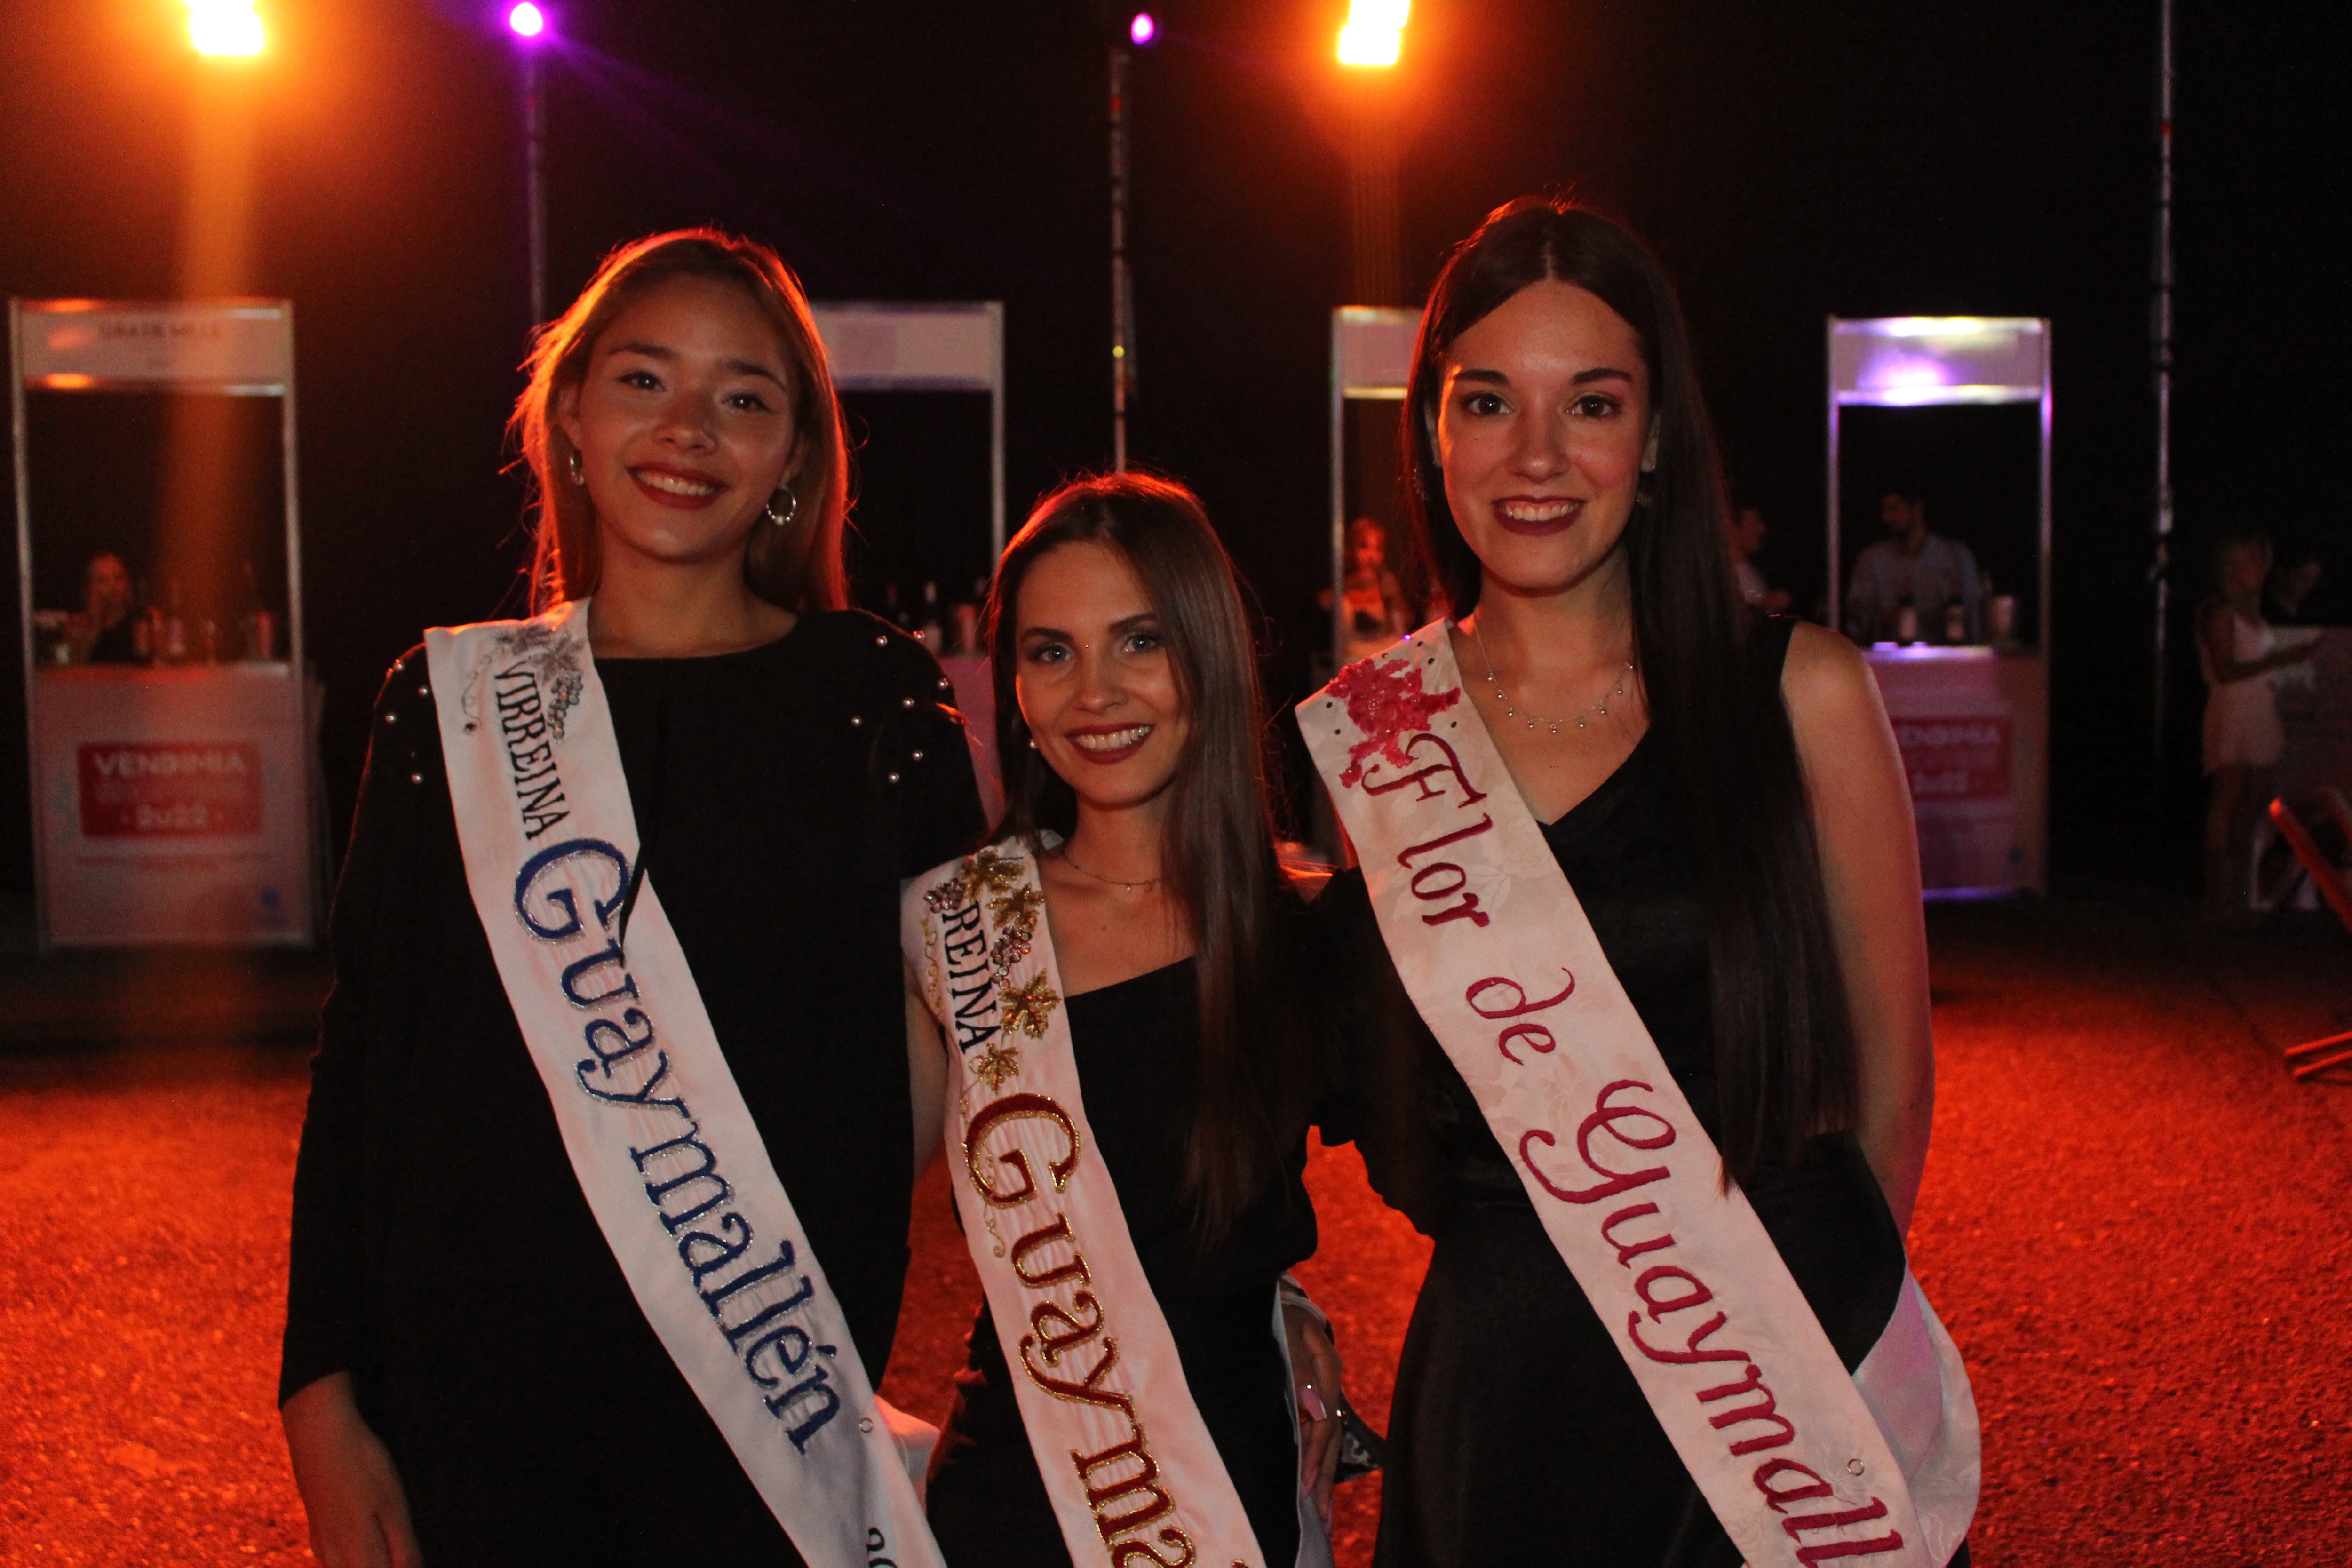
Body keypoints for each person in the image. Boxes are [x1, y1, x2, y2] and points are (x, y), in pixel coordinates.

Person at [279, 229, 983, 1568]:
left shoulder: (875, 699)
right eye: (646, 379)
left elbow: (960, 1035)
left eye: (745, 396)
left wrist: (768, 1230)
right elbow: (363, 1059)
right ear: (575, 420)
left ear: (794, 459)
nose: (689, 430)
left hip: (754, 1406)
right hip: (464, 1413)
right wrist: (321, 1392)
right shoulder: (449, 703)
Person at [1312, 198, 1975, 1567]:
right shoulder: (1376, 735)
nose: (1537, 455)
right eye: (1486, 400)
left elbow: (1891, 1081)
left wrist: (1789, 1372)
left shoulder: (1800, 696)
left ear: (1657, 434)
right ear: (1430, 429)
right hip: (1505, 1397)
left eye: (1592, 403)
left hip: (1771, 1377)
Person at [907, 473, 1344, 1568]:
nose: (1094, 692)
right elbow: (835, 1207)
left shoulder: (1304, 932)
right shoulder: (963, 926)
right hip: (1012, 1501)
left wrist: (1288, 1304)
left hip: (1227, 1492)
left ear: (1210, 651)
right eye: (1051, 651)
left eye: (1138, 641)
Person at [2200, 530, 2317, 925]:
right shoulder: (2220, 612)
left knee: (2252, 804)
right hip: (2235, 709)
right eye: (2253, 561)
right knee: (2228, 800)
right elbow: (2226, 670)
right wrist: (2282, 658)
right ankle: (2218, 900)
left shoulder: (2251, 610)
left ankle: (2241, 896)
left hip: (2257, 710)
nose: (2261, 569)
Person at [1846, 488, 1980, 644]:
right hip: (1890, 662)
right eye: (1884, 510)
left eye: (1894, 509)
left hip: (1946, 661)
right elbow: (1856, 626)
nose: (1887, 518)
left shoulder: (1957, 558)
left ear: (1917, 509)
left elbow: (1974, 623)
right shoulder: (1871, 561)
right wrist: (1883, 619)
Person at [1325, 513, 1413, 663]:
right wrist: (1350, 585)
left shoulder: (1387, 588)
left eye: (1377, 549)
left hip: (1383, 663)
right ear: (1351, 551)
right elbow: (1321, 604)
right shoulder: (1341, 589)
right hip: (1350, 665)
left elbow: (1403, 633)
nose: (1371, 556)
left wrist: (1395, 598)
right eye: (1364, 547)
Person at [65, 550, 143, 664]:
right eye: (103, 581)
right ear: (90, 587)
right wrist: (95, 622)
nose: (113, 586)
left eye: (118, 578)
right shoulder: (76, 625)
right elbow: (72, 665)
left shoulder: (142, 621)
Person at [1725, 502, 1791, 613]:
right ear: (1735, 530)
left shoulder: (1751, 571)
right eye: (1755, 523)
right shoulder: (1729, 577)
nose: (1763, 529)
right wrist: (1765, 606)